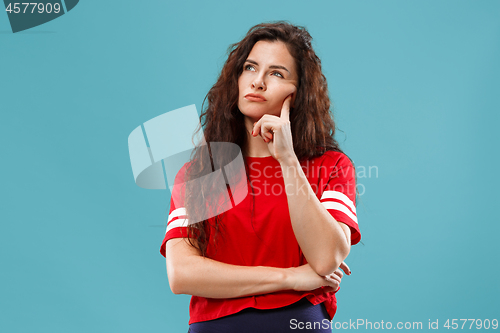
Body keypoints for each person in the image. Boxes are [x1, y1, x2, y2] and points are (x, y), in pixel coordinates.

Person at [160, 22, 361, 333]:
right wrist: (291, 277)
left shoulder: (331, 166)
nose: (258, 82)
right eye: (250, 67)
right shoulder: (199, 172)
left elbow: (326, 260)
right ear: (236, 78)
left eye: (277, 73)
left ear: (299, 94)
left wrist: (288, 159)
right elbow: (182, 274)